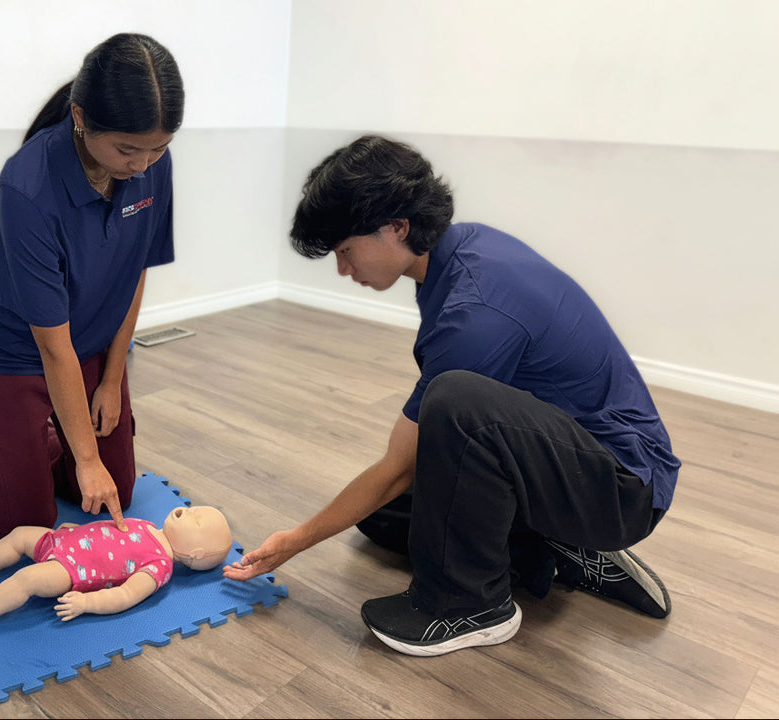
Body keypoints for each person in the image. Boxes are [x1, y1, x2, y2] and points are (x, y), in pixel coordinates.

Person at [223, 135, 681, 657]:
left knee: (451, 404)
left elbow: (404, 462)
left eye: (346, 251)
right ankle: (558, 551)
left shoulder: (475, 312)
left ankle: (470, 606)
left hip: (619, 490)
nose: (343, 270)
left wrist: (294, 540)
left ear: (397, 227)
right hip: (567, 463)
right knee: (382, 514)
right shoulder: (461, 249)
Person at [0, 33, 183, 542]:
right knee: (20, 527)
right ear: (80, 118)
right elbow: (50, 345)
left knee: (118, 492)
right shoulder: (26, 187)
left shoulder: (154, 167)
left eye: (159, 147)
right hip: (8, 353)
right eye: (128, 149)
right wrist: (87, 457)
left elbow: (135, 270)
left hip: (88, 346)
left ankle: (32, 439)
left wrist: (113, 379)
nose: (142, 165)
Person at [0, 505, 232, 624]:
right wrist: (76, 531)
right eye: (193, 508)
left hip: (71, 571)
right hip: (63, 541)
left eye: (195, 519)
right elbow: (108, 530)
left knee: (27, 579)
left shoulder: (160, 568)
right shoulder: (147, 525)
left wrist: (86, 603)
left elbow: (125, 596)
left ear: (195, 554)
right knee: (20, 534)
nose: (185, 511)